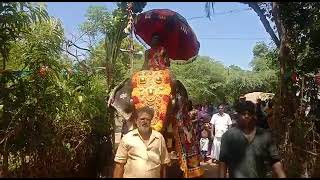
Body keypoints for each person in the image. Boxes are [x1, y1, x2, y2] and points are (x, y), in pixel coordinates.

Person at [219, 101, 286, 178]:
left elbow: (275, 161)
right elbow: (223, 162)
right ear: (238, 115)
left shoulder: (265, 135)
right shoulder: (228, 136)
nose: (247, 116)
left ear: (254, 115)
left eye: (250, 113)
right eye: (243, 113)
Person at [113, 106, 171, 178]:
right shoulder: (127, 138)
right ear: (136, 121)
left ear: (151, 121)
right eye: (142, 119)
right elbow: (119, 165)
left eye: (148, 119)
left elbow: (163, 164)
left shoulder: (159, 138)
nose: (145, 121)